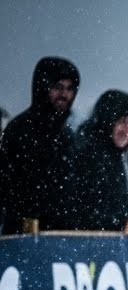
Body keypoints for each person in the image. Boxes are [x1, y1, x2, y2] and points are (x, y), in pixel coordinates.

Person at [0, 56, 80, 233]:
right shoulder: (20, 129)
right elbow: (8, 186)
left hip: (62, 235)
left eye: (69, 89)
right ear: (43, 88)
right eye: (58, 87)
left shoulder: (68, 135)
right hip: (25, 234)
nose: (64, 95)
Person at [66, 89, 128, 233]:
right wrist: (118, 224)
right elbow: (78, 213)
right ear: (107, 122)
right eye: (121, 121)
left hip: (117, 245)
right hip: (89, 245)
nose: (127, 129)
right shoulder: (86, 155)